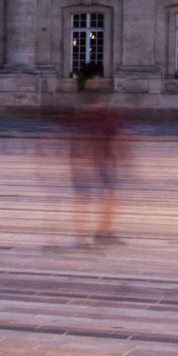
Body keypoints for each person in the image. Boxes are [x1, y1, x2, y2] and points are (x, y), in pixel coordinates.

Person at [63, 96, 128, 245]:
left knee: (90, 198)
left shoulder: (79, 121)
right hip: (99, 164)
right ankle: (99, 233)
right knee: (103, 197)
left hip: (87, 165)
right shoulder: (103, 120)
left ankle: (91, 234)